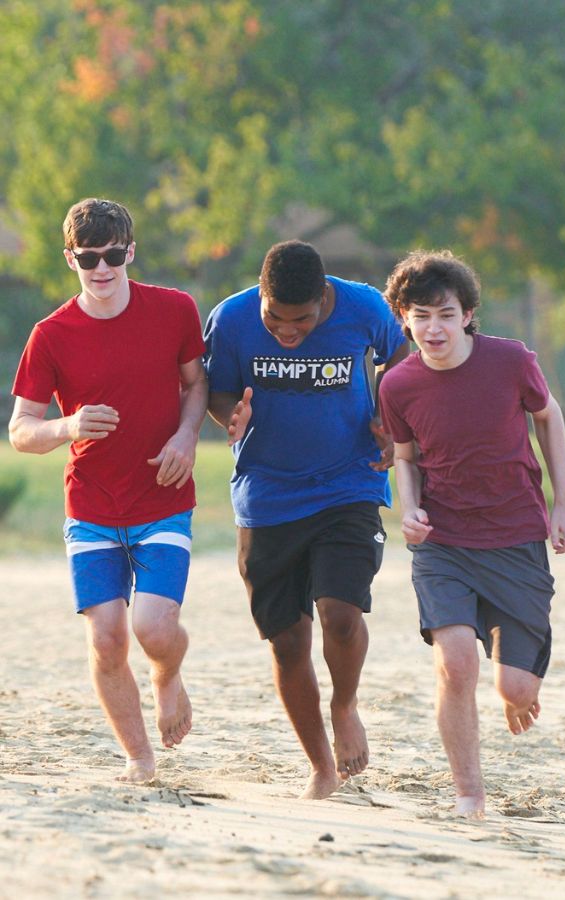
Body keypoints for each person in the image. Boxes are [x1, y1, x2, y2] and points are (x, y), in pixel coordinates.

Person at [9, 198, 208, 784]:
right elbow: (21, 429)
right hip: (91, 506)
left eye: (113, 255)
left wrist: (186, 436)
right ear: (70, 258)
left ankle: (168, 675)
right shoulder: (50, 335)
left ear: (131, 252)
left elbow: (197, 385)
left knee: (152, 629)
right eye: (89, 257)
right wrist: (66, 427)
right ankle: (139, 760)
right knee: (105, 637)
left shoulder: (174, 310)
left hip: (162, 497)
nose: (102, 268)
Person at [378, 249, 565, 818]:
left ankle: (518, 676)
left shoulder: (511, 361)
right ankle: (469, 793)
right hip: (443, 541)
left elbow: (548, 416)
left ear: (468, 313)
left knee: (515, 690)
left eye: (445, 314)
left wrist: (562, 505)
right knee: (457, 659)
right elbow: (406, 456)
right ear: (403, 318)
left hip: (516, 534)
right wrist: (410, 511)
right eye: (420, 316)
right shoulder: (397, 386)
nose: (433, 328)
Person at [203, 239, 408, 799]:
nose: (287, 331)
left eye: (302, 320)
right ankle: (320, 766)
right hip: (266, 495)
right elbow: (217, 391)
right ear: (261, 297)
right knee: (288, 642)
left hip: (349, 483)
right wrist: (232, 415)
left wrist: (391, 417)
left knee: (341, 614)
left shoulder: (366, 307)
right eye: (276, 317)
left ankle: (346, 704)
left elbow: (402, 360)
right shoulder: (232, 317)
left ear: (323, 296)